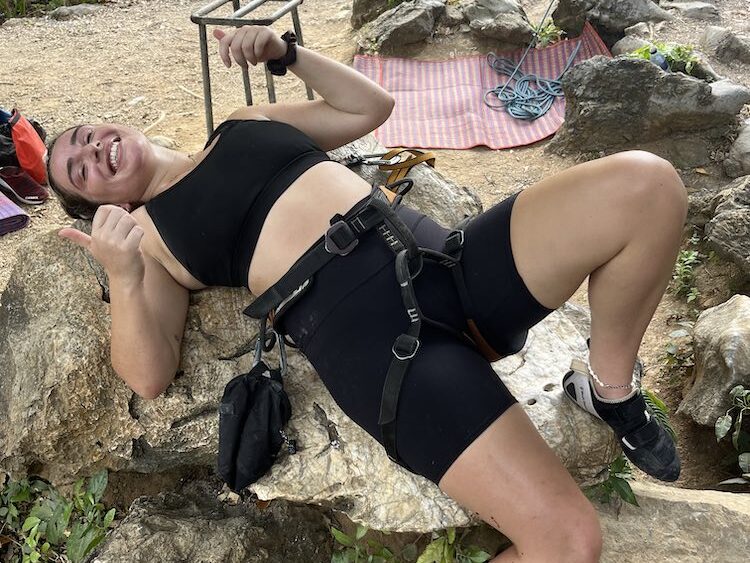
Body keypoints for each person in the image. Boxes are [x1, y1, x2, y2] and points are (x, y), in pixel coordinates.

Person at [46, 25, 687, 562]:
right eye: (77, 170)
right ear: (104, 203)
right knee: (569, 542)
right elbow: (148, 374)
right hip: (382, 352)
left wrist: (286, 54)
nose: (91, 151)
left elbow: (370, 108)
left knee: (648, 186)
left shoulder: (242, 123)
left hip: (449, 264)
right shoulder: (149, 238)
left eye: (82, 135)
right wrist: (124, 278)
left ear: (112, 123)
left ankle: (607, 391)